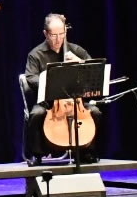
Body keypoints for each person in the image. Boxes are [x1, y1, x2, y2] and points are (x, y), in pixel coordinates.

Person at [23, 13, 103, 166]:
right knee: (36, 114)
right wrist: (52, 81)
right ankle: (37, 154)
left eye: (62, 34)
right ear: (45, 33)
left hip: (75, 101)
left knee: (95, 112)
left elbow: (94, 70)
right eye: (54, 35)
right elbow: (31, 77)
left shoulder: (76, 50)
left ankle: (87, 151)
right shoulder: (35, 54)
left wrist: (80, 62)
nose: (58, 39)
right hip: (49, 102)